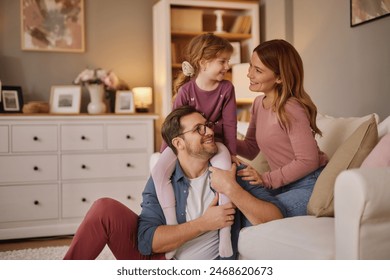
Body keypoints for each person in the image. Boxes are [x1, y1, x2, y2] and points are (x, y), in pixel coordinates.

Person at [63, 106, 286, 260]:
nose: (209, 132)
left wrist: (230, 188)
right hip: (160, 263)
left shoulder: (233, 172)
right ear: (178, 143)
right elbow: (146, 241)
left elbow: (275, 218)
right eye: (198, 129)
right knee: (104, 208)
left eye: (207, 125)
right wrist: (203, 223)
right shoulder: (162, 179)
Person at [211, 39, 328, 217]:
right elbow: (250, 148)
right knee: (231, 208)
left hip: (309, 185)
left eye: (258, 70)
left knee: (248, 216)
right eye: (251, 66)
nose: (249, 74)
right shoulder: (259, 103)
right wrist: (219, 135)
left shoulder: (290, 108)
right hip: (283, 185)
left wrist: (267, 179)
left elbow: (308, 160)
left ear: (280, 77)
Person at [152, 33, 239, 258]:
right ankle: (171, 223)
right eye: (223, 61)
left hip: (215, 144)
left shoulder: (226, 89)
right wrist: (166, 154)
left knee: (224, 175)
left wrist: (232, 154)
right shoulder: (186, 91)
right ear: (203, 62)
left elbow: (230, 124)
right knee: (158, 169)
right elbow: (172, 125)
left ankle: (225, 233)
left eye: (227, 61)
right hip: (187, 143)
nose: (227, 66)